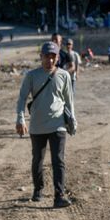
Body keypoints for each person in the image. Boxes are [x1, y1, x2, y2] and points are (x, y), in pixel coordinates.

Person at [16, 41, 76, 208]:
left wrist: (73, 120)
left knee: (58, 160)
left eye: (53, 57)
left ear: (57, 57)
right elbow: (22, 98)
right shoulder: (32, 76)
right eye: (46, 57)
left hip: (58, 124)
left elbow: (69, 101)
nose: (50, 60)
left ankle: (59, 195)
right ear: (40, 57)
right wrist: (20, 118)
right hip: (37, 125)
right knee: (38, 159)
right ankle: (38, 189)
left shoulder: (64, 75)